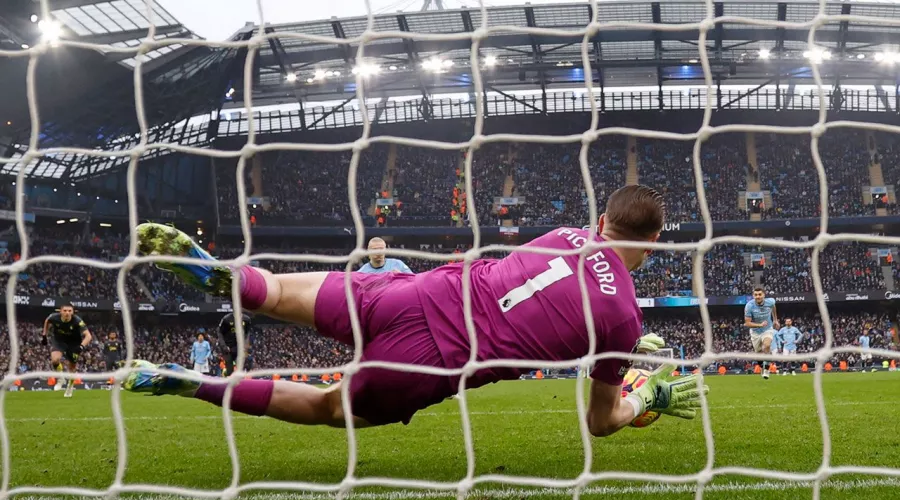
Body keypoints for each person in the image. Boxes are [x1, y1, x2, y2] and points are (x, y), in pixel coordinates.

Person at [124, 185, 706, 436]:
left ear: (599, 223)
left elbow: (567, 289)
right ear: (653, 245)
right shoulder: (622, 319)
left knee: (272, 290)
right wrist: (642, 393)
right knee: (330, 408)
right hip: (434, 358)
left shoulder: (562, 234)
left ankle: (225, 276)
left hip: (412, 293)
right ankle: (191, 384)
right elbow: (599, 423)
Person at [42, 303, 93, 398]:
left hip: (74, 343)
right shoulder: (54, 317)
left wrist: (81, 346)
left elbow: (88, 336)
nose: (67, 313)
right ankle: (61, 379)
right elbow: (47, 321)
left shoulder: (77, 321)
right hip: (59, 341)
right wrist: (44, 334)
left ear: (73, 312)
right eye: (65, 311)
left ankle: (70, 386)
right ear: (60, 311)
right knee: (55, 360)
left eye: (70, 311)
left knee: (72, 367)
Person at [743, 287, 779, 379]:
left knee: (766, 346)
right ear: (753, 296)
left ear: (764, 295)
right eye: (755, 295)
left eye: (760, 294)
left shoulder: (770, 301)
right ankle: (762, 368)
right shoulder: (749, 306)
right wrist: (760, 325)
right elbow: (747, 323)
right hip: (755, 332)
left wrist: (775, 320)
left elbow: (773, 306)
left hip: (767, 329)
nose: (758, 296)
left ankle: (767, 369)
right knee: (758, 354)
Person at [218, 312, 253, 376]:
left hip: (239, 348)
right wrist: (224, 346)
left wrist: (245, 345)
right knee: (229, 370)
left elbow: (247, 333)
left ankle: (240, 384)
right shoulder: (226, 319)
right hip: (228, 348)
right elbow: (220, 332)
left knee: (240, 369)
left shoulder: (246, 319)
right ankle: (229, 383)